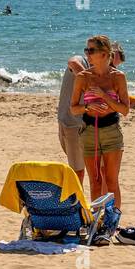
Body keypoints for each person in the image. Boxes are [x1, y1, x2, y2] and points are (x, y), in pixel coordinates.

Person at [70, 35, 129, 212]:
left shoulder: (118, 77)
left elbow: (125, 110)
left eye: (91, 50)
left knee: (111, 181)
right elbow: (73, 108)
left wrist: (104, 97)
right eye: (86, 50)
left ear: (104, 54)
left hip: (111, 131)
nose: (87, 54)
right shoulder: (83, 77)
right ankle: (97, 221)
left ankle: (112, 222)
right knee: (95, 182)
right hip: (89, 131)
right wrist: (88, 106)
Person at [57, 48, 91, 186]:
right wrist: (88, 81)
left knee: (79, 170)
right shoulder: (82, 61)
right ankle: (76, 204)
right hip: (72, 124)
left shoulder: (103, 72)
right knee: (77, 171)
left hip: (72, 123)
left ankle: (77, 202)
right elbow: (72, 62)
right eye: (88, 50)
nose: (89, 53)